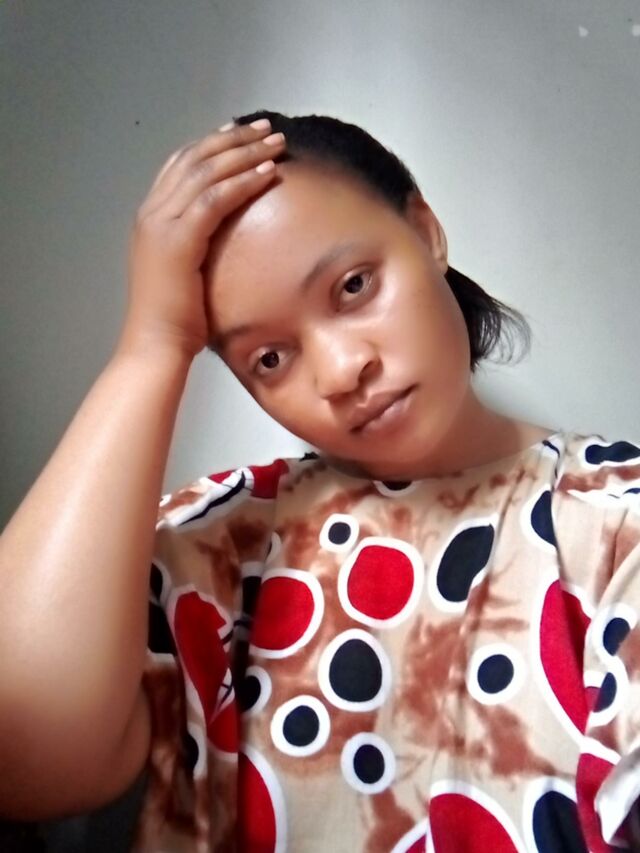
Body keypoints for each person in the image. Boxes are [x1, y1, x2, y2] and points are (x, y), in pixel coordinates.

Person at [1, 109, 639, 852]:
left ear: (426, 231)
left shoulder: (615, 522)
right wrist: (152, 345)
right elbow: (26, 757)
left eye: (354, 286)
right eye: (269, 359)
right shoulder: (222, 542)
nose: (341, 372)